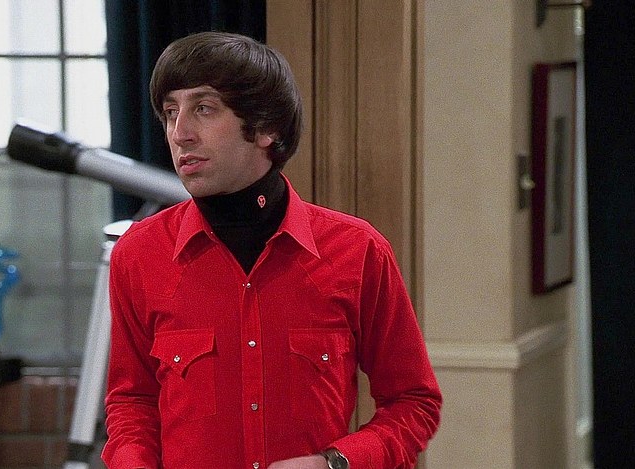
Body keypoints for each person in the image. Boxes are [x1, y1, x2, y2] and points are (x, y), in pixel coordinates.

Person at [102, 31, 442, 469]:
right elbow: (132, 405)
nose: (179, 133)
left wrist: (334, 464)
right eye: (171, 112)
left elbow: (413, 402)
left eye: (204, 109)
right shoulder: (139, 254)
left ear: (267, 128)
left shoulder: (358, 251)